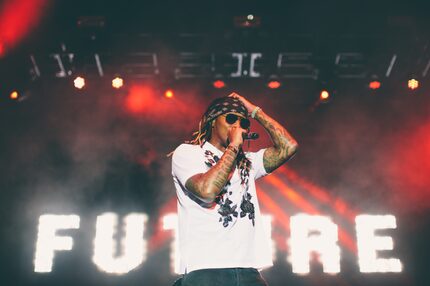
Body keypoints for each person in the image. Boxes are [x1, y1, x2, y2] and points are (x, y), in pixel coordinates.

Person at [171, 92, 298, 286]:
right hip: (206, 269)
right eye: (230, 119)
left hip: (249, 271)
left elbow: (288, 147)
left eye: (243, 123)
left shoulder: (247, 161)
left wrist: (254, 111)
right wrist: (233, 146)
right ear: (212, 121)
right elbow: (206, 191)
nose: (237, 126)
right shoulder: (188, 153)